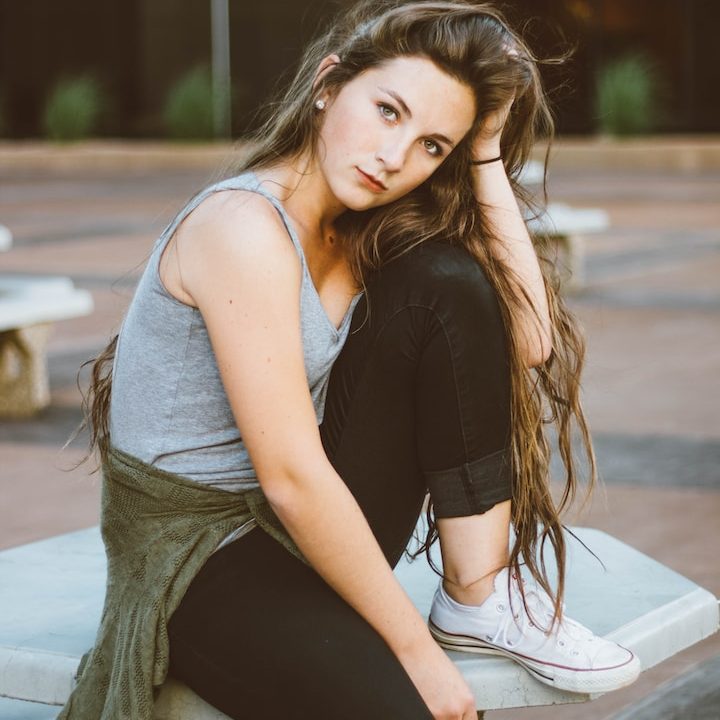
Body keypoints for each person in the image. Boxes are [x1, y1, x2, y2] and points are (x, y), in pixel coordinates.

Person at [62, 2, 640, 719]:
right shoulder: (242, 227)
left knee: (451, 285)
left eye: (432, 145)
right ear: (329, 84)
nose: (395, 158)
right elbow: (292, 479)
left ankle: (478, 595)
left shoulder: (364, 234)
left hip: (293, 526)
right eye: (388, 111)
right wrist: (414, 654)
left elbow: (527, 338)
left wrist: (485, 150)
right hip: (195, 558)